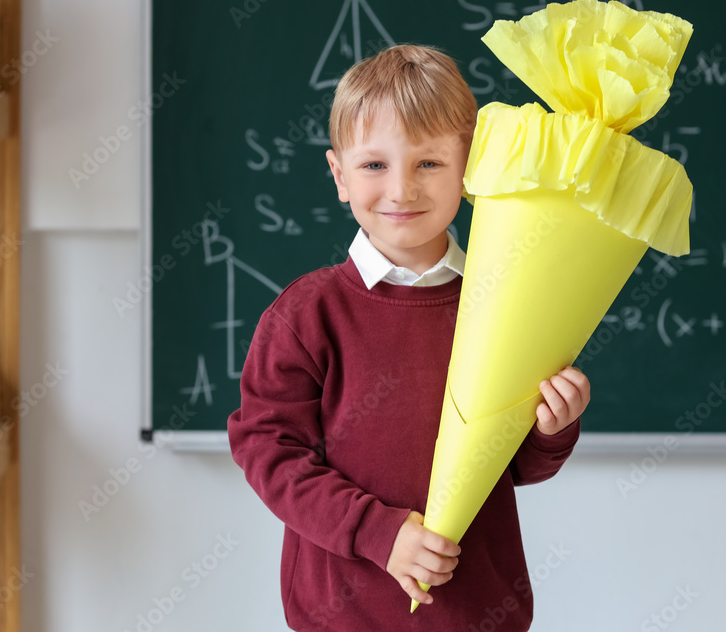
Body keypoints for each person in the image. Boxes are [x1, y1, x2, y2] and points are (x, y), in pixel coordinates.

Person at [228, 44, 590, 632]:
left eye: (428, 164)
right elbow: (268, 450)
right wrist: (378, 532)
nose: (401, 190)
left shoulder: (505, 308)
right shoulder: (307, 313)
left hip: (478, 613)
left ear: (469, 169)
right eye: (375, 166)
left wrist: (552, 428)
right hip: (340, 616)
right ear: (339, 175)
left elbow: (518, 467)